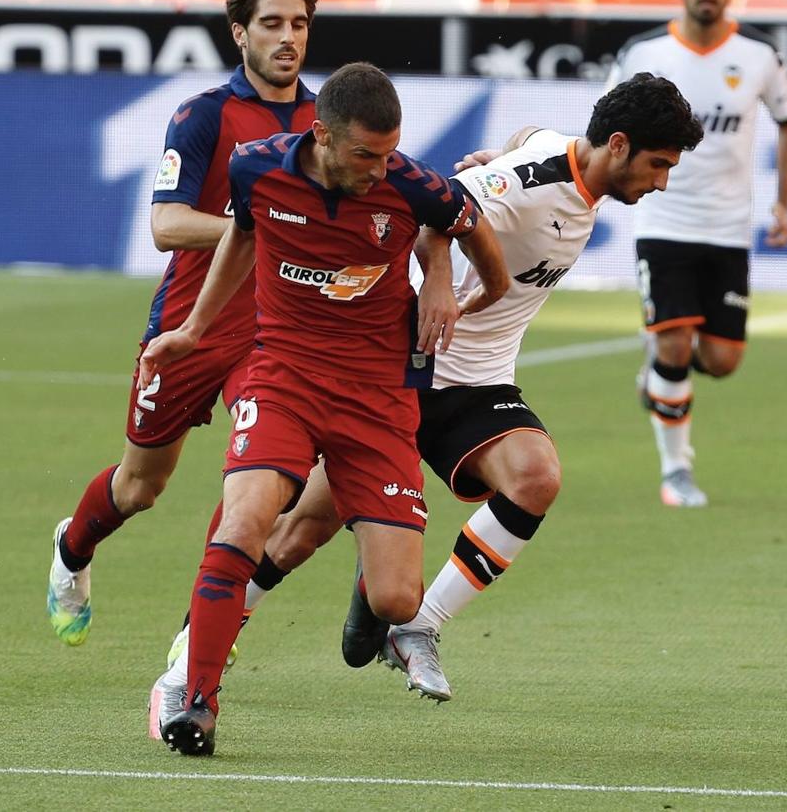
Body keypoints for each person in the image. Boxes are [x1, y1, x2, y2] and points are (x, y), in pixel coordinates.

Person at [164, 73, 704, 704]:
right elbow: (439, 214)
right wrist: (443, 278)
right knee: (299, 530)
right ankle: (195, 649)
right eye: (659, 164)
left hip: (475, 379)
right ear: (616, 145)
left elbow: (529, 139)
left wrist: (506, 150)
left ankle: (417, 626)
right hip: (406, 370)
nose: (662, 181)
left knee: (535, 477)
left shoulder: (559, 162)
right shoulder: (525, 188)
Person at [140, 61, 511, 755]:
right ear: (323, 136)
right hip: (284, 377)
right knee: (248, 517)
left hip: (378, 397)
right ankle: (193, 694)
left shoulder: (410, 183)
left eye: (390, 150)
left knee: (398, 600)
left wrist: (453, 292)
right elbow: (241, 239)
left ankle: (367, 549)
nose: (380, 167)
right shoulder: (256, 169)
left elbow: (472, 233)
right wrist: (192, 329)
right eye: (366, 153)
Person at [44, 0, 322, 647]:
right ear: (239, 34)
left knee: (261, 483)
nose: (288, 38)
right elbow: (166, 225)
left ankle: (200, 628)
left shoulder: (328, 121)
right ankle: (72, 550)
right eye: (272, 24)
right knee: (140, 487)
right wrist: (261, 223)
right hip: (187, 328)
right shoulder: (203, 115)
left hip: (273, 333)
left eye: (300, 24)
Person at [603, 0, 787, 508]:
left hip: (727, 228)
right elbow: (605, 128)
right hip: (661, 220)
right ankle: (676, 472)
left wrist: (783, 203)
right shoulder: (642, 53)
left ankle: (660, 371)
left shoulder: (761, 54)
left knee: (721, 360)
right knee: (673, 345)